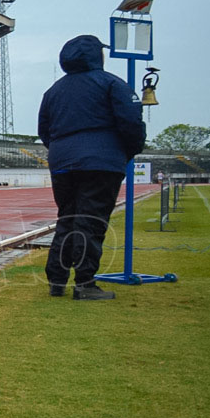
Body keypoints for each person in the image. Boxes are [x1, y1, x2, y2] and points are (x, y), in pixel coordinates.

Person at [38, 34, 146, 300]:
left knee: (67, 218)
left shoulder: (53, 91)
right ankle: (85, 283)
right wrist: (128, 150)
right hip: (101, 160)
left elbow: (44, 130)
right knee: (91, 220)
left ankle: (57, 280)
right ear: (98, 55)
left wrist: (61, 151)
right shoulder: (111, 83)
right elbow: (131, 122)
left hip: (62, 161)